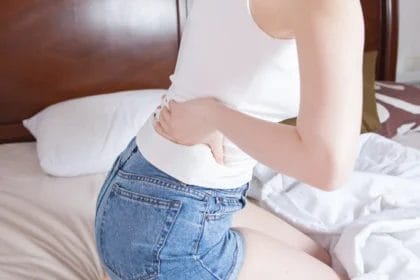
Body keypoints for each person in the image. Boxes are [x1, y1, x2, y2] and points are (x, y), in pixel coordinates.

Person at [95, 0, 364, 279]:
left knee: (317, 257)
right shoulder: (332, 6)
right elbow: (326, 166)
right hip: (168, 233)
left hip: (127, 190)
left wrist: (212, 117)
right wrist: (212, 116)